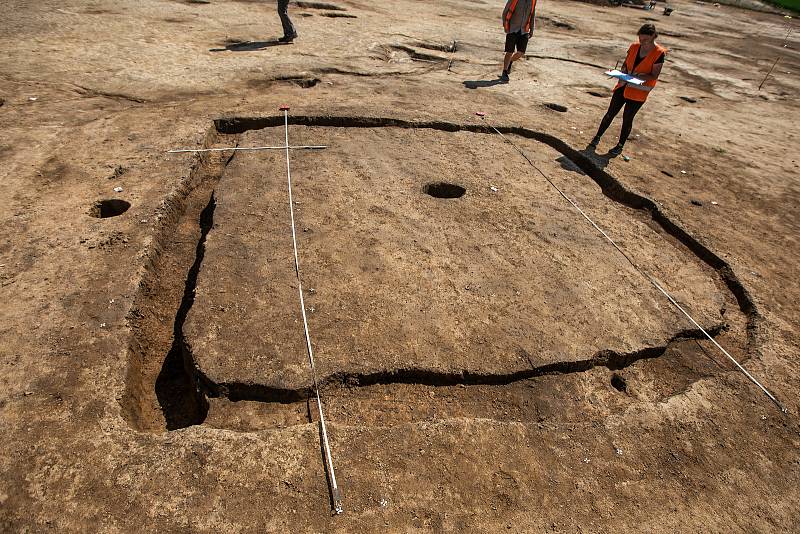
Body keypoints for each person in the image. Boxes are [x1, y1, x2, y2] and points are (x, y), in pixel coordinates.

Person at [588, 24, 667, 157]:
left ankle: (620, 146)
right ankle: (597, 137)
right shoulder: (634, 46)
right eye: (640, 39)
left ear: (653, 36)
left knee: (627, 118)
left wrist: (639, 76)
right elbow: (626, 63)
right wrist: (623, 71)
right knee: (610, 113)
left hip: (638, 92)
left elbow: (654, 75)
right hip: (623, 85)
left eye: (645, 40)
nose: (642, 42)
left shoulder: (659, 53)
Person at [500, 0, 537, 83]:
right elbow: (505, 11)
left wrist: (532, 30)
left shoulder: (533, 1)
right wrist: (505, 25)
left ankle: (510, 61)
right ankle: (505, 71)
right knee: (509, 51)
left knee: (521, 52)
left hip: (524, 30)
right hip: (512, 28)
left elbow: (532, 15)